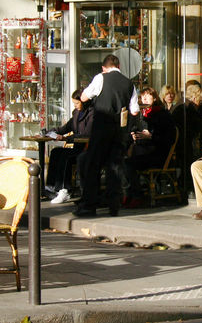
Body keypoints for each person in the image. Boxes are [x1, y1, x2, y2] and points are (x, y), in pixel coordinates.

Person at [74, 54, 140, 217]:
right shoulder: (129, 83)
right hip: (119, 132)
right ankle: (114, 205)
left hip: (101, 128)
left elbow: (84, 97)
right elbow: (135, 110)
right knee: (115, 168)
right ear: (119, 67)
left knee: (93, 164)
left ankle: (90, 205)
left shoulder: (100, 78)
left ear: (104, 67)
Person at [123, 87, 177, 208]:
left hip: (159, 154)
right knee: (122, 161)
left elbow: (168, 138)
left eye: (147, 96)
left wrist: (151, 136)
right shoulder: (142, 114)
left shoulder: (162, 114)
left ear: (154, 97)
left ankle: (136, 195)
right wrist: (134, 135)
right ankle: (129, 193)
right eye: (142, 97)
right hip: (144, 150)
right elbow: (135, 130)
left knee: (128, 164)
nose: (145, 99)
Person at [45, 89, 94, 204]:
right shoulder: (76, 113)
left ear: (84, 101)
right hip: (77, 146)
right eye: (74, 103)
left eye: (77, 103)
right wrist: (51, 132)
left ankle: (64, 189)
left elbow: (87, 134)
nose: (75, 106)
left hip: (87, 148)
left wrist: (66, 138)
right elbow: (66, 128)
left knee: (66, 156)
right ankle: (51, 186)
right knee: (56, 152)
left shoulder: (92, 114)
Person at [172, 83, 202, 185]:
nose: (200, 103)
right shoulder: (188, 108)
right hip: (184, 144)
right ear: (194, 98)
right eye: (199, 100)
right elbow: (196, 125)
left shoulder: (180, 105)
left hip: (179, 143)